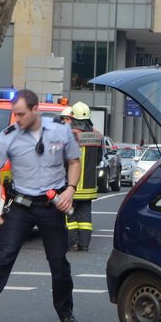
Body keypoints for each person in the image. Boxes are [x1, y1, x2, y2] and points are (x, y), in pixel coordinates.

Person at [0, 89, 81, 322]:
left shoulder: (60, 131)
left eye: (21, 114)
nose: (16, 119)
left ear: (35, 110)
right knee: (3, 257)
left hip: (52, 204)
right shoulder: (7, 137)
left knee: (58, 262)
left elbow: (74, 162)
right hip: (21, 206)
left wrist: (70, 189)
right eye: (14, 114)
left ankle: (65, 312)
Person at [65, 101, 103, 252]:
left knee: (70, 216)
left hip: (71, 185)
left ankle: (72, 243)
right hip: (88, 185)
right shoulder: (97, 136)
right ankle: (84, 244)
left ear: (73, 117)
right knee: (85, 217)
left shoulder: (70, 135)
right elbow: (100, 159)